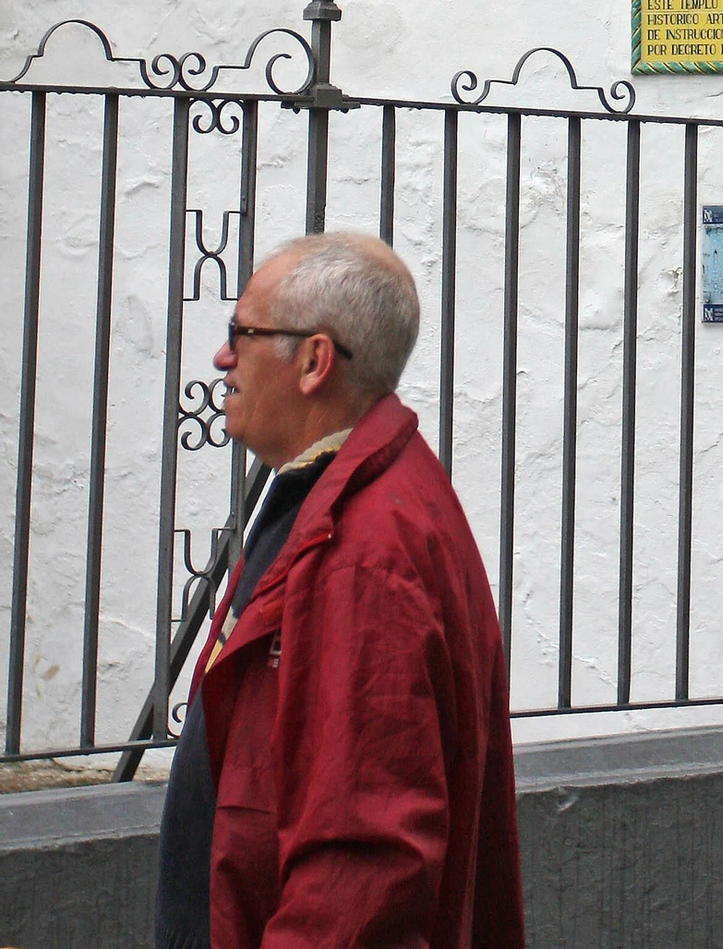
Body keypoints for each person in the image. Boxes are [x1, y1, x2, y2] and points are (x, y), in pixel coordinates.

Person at [154, 232, 522, 949]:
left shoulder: (363, 547)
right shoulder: (344, 495)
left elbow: (363, 866)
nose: (223, 357)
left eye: (242, 333)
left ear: (314, 361)